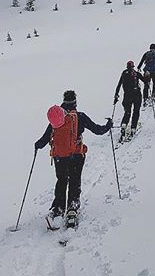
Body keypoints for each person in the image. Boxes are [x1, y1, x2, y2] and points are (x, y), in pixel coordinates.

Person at [35, 90, 112, 228]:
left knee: (62, 180)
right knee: (75, 180)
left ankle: (58, 208)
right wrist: (108, 126)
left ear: (64, 101)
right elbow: (97, 130)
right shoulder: (80, 117)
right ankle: (72, 208)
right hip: (76, 155)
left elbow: (45, 138)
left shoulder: (57, 118)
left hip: (59, 157)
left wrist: (37, 145)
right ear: (75, 102)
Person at [114, 61, 145, 140]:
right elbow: (145, 81)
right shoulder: (136, 73)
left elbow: (119, 85)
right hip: (136, 95)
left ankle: (124, 125)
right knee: (136, 111)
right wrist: (147, 76)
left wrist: (116, 95)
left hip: (127, 95)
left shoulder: (124, 74)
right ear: (133, 67)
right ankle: (133, 128)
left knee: (127, 112)